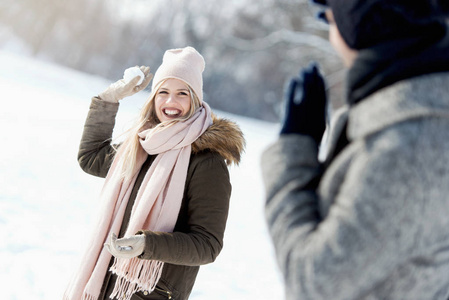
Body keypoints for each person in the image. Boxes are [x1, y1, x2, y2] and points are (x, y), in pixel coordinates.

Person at [261, 1, 449, 299]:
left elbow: (311, 283)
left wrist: (294, 151)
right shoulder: (407, 116)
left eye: (329, 12)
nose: (327, 20)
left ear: (357, 18)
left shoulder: (406, 149)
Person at [64, 46, 245, 300]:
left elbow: (207, 245)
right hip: (105, 282)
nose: (171, 102)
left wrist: (147, 245)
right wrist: (108, 101)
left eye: (182, 93)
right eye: (163, 92)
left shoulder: (206, 161)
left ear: (195, 99)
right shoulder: (142, 144)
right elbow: (91, 158)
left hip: (151, 291)